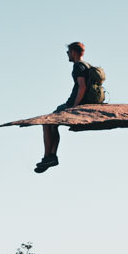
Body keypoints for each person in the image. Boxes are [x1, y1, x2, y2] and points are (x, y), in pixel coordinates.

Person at [34, 42, 90, 173]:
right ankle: (51, 156)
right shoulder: (87, 66)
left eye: (68, 52)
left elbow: (82, 86)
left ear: (74, 52)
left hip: (73, 103)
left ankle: (48, 156)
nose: (68, 55)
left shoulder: (78, 66)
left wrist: (74, 107)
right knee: (53, 124)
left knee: (47, 123)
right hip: (78, 102)